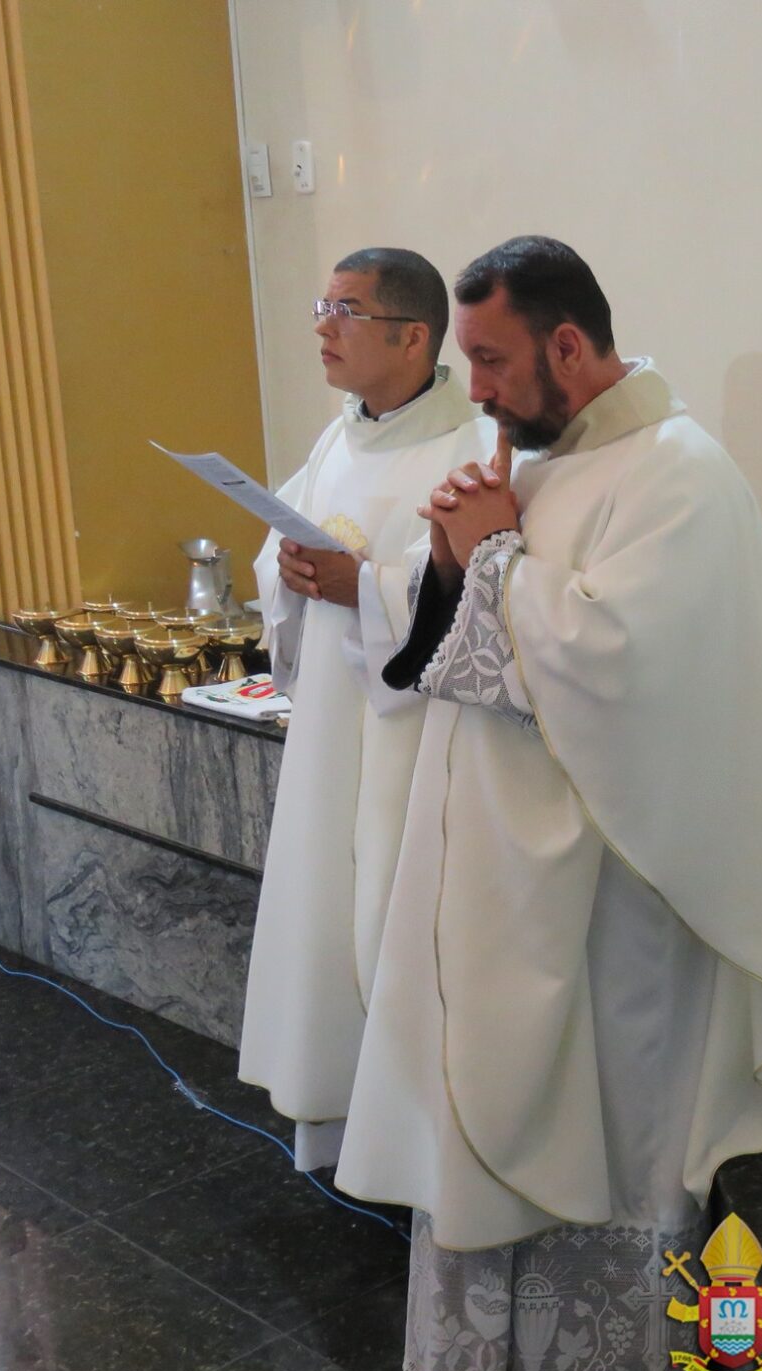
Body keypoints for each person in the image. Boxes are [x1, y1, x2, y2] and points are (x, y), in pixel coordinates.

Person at [333, 235, 762, 1371]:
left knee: (604, 1112)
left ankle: (612, 1362)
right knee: (495, 1088)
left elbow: (619, 668)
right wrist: (448, 562)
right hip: (499, 871)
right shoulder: (543, 462)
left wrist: (492, 555)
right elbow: (462, 639)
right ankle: (492, 1356)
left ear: (567, 344)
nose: (478, 390)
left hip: (609, 889)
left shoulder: (681, 475)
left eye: (494, 361)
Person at [237, 248, 496, 1171]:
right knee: (327, 905)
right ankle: (337, 1120)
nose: (322, 327)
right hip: (329, 733)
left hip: (411, 740)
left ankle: (410, 1144)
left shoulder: (472, 448)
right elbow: (283, 548)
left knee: (392, 915)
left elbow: (477, 591)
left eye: (344, 311)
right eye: (323, 305)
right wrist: (291, 568)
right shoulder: (337, 438)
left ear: (413, 336)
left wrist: (366, 587)